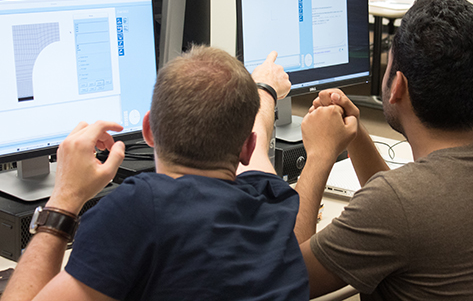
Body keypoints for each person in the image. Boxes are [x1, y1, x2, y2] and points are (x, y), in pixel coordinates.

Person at [295, 0, 473, 299]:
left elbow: (282, 280)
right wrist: (355, 135)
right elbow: (404, 210)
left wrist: (318, 155)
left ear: (397, 86)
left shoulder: (395, 204)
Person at [2, 46, 309, 301]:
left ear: (148, 130)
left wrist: (65, 197)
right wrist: (265, 90)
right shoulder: (275, 200)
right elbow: (257, 137)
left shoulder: (138, 209)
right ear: (246, 147)